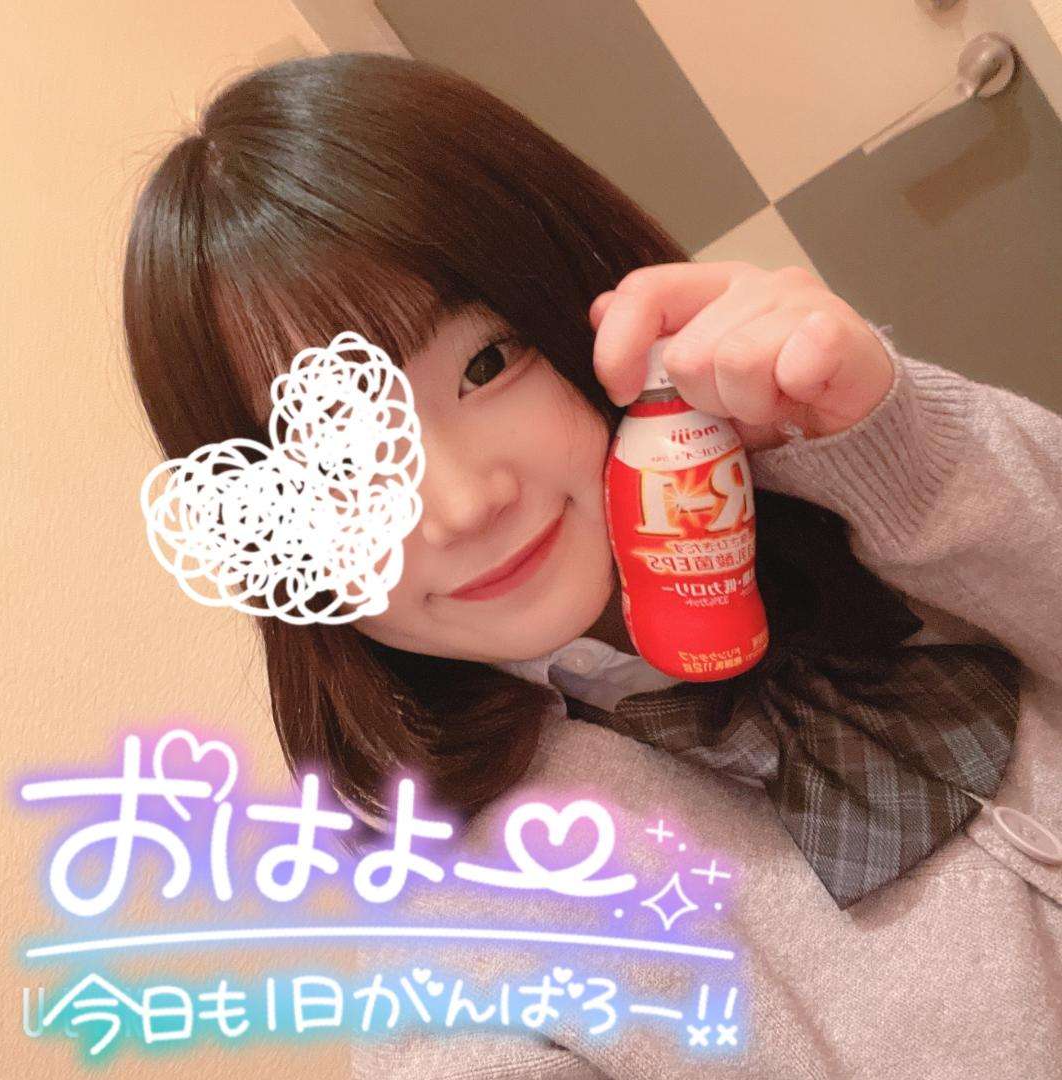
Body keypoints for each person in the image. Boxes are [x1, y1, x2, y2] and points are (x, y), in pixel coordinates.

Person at [122, 51, 1061, 1079]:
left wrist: (905, 447)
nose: (462, 504)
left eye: (485, 364)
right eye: (334, 456)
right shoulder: (472, 969)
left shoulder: (848, 482)